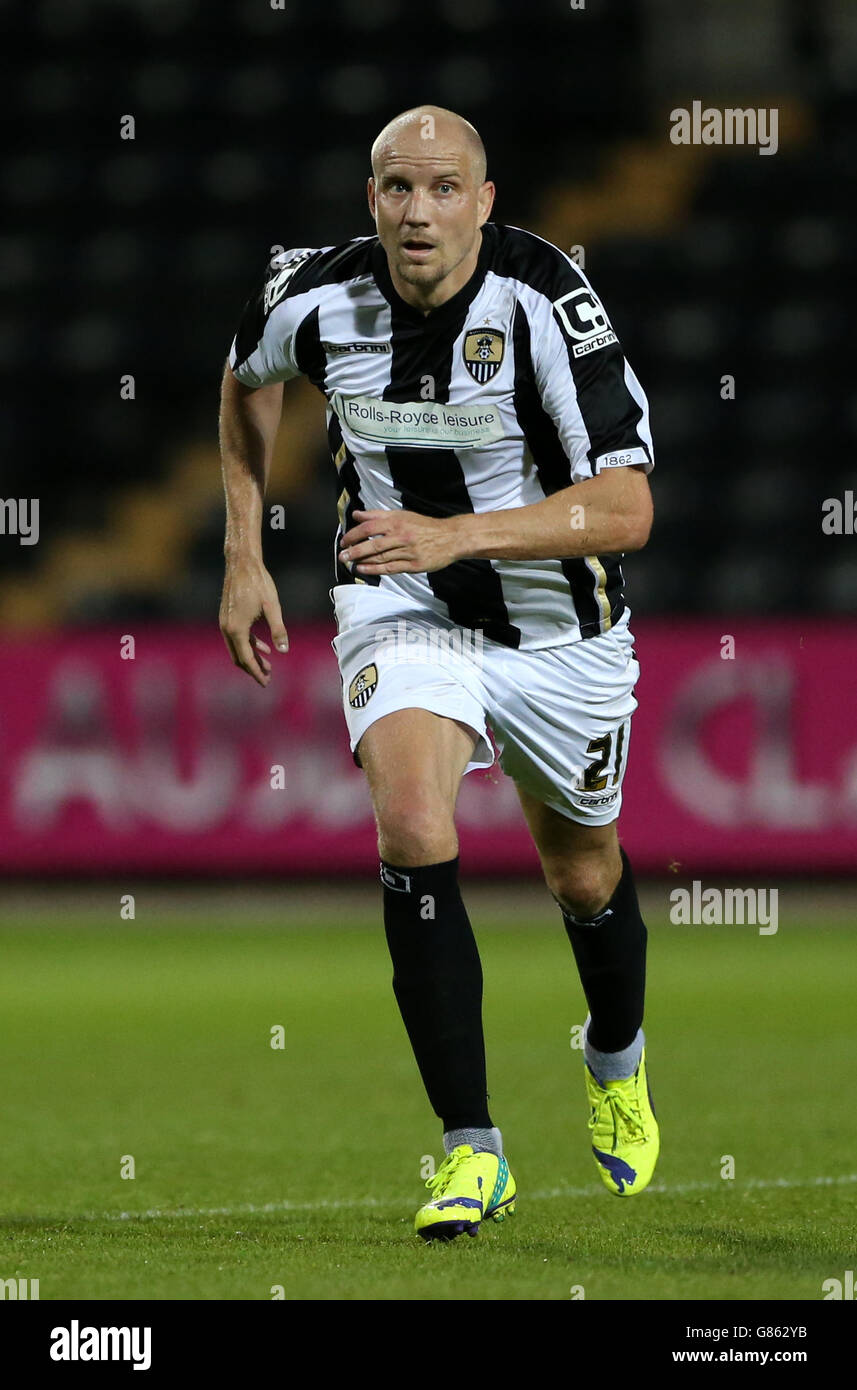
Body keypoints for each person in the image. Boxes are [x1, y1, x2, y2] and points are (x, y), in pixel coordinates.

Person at [219, 105, 658, 1242]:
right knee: (412, 823)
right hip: (398, 600)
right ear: (370, 200)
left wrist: (453, 535)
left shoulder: (546, 302)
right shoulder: (313, 293)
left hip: (560, 631)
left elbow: (626, 509)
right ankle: (471, 1149)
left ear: (484, 201)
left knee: (584, 874)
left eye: (444, 188)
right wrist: (240, 555)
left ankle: (613, 1057)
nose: (419, 212)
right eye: (396, 188)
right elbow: (244, 377)